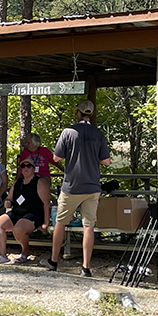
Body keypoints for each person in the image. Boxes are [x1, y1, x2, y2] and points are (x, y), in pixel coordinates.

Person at [42, 99, 110, 277]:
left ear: (78, 113)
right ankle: (86, 268)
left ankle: (54, 261)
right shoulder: (98, 134)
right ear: (91, 114)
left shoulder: (68, 132)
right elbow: (106, 161)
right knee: (88, 226)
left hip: (71, 186)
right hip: (92, 186)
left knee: (60, 223)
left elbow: (56, 158)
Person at [0, 157, 52, 264]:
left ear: (34, 168)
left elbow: (46, 203)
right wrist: (7, 202)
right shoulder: (17, 182)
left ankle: (25, 252)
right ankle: (3, 255)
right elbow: (9, 198)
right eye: (23, 166)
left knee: (18, 228)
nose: (25, 168)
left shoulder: (39, 182)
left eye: (29, 166)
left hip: (33, 214)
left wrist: (46, 223)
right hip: (17, 212)